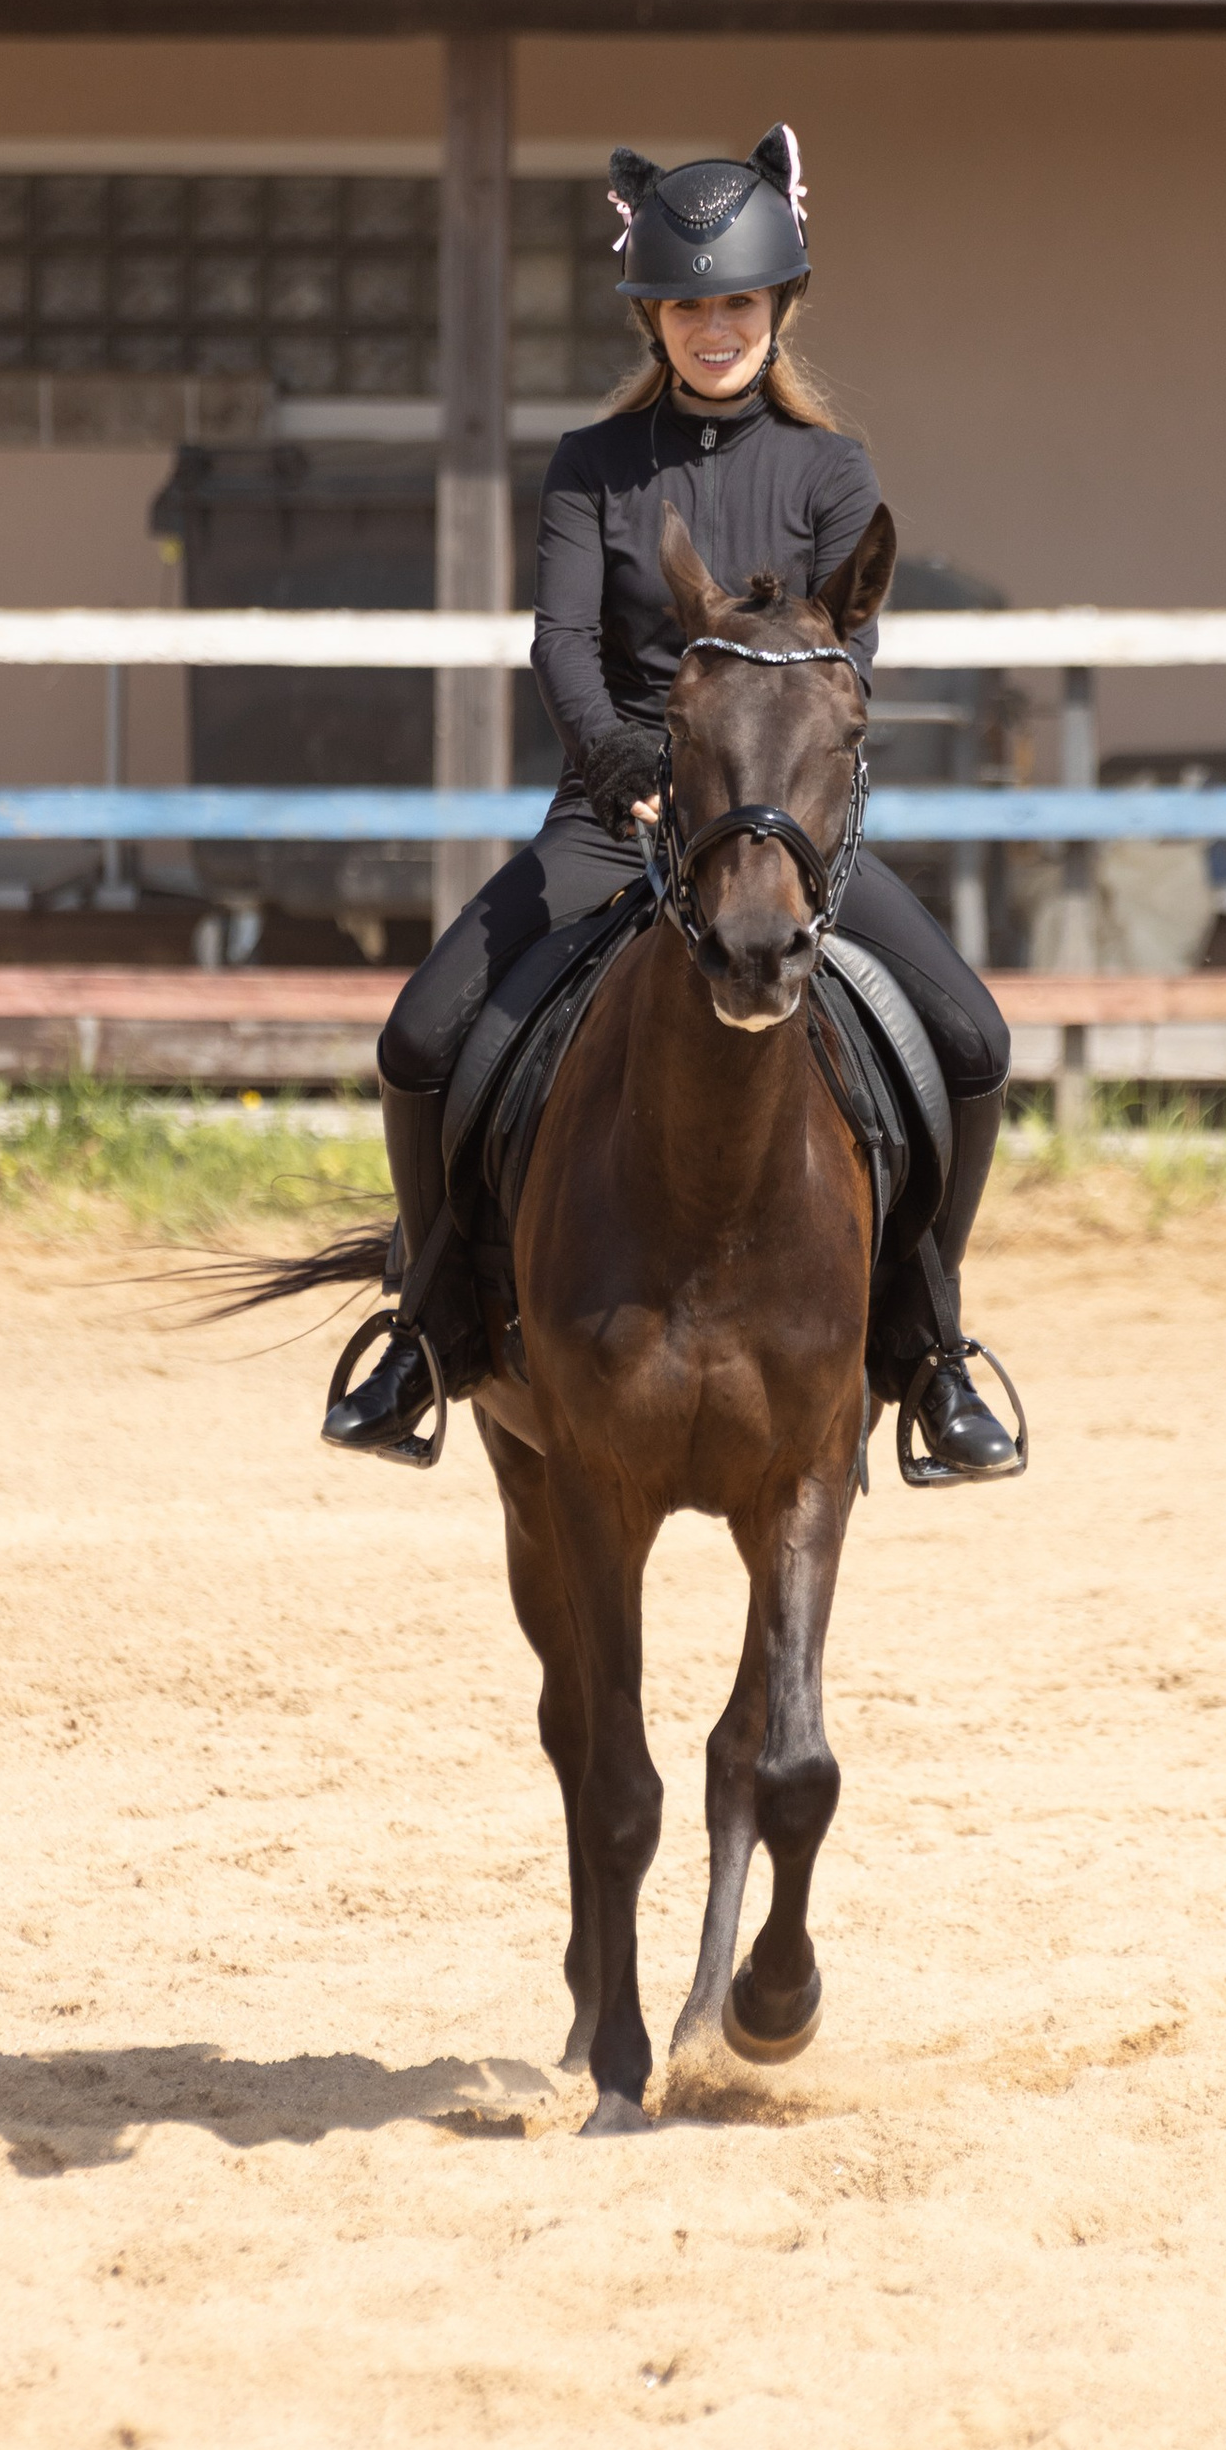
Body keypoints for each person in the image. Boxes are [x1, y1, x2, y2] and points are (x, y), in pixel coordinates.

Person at [324, 124, 1020, 1479]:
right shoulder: (594, 462)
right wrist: (621, 765)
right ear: (654, 315)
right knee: (418, 1042)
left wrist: (762, 797)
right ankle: (427, 1328)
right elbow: (561, 645)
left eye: (739, 303)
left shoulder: (833, 473)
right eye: (690, 307)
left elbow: (846, 663)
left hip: (780, 830)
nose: (715, 328)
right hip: (618, 819)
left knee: (975, 1043)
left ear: (778, 307)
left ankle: (931, 1349)